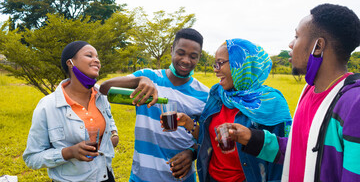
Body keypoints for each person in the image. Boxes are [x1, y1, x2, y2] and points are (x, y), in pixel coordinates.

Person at [225, 3, 360, 182]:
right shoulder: (309, 90)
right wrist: (251, 138)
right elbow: (301, 149)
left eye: (296, 36)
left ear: (318, 46)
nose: (290, 44)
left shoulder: (353, 103)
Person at [99, 28, 210, 182]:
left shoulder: (205, 94)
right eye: (181, 53)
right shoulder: (149, 77)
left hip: (181, 178)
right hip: (141, 177)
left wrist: (192, 153)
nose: (186, 60)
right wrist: (139, 80)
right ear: (171, 50)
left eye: (193, 56)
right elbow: (105, 88)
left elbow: (208, 139)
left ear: (199, 57)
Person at [178, 38, 292, 182]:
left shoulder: (271, 102)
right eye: (215, 63)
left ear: (241, 65)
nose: (215, 69)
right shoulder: (217, 94)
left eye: (220, 63)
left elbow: (282, 158)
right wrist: (189, 123)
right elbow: (208, 138)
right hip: (211, 177)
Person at [23, 41, 119, 182]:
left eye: (97, 57)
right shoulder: (48, 106)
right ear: (70, 62)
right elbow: (31, 158)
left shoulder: (101, 96)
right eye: (89, 55)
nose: (97, 60)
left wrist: (114, 134)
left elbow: (110, 122)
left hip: (106, 177)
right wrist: (68, 152)